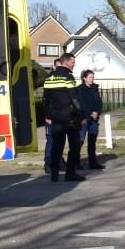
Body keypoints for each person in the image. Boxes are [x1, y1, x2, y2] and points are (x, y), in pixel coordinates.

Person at [42, 54, 85, 182]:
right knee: (74, 146)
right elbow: (74, 99)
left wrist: (48, 115)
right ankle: (70, 173)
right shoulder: (68, 77)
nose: (74, 64)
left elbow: (45, 99)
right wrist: (81, 115)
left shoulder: (49, 78)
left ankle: (54, 174)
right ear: (66, 62)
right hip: (70, 119)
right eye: (73, 62)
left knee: (56, 147)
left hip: (56, 118)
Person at [75, 69, 106, 170]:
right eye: (90, 77)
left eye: (93, 77)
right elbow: (80, 105)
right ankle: (76, 163)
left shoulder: (95, 89)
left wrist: (96, 112)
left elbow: (99, 103)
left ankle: (93, 162)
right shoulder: (79, 90)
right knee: (80, 141)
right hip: (83, 119)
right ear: (84, 78)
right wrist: (85, 115)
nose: (92, 79)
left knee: (92, 142)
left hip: (94, 120)